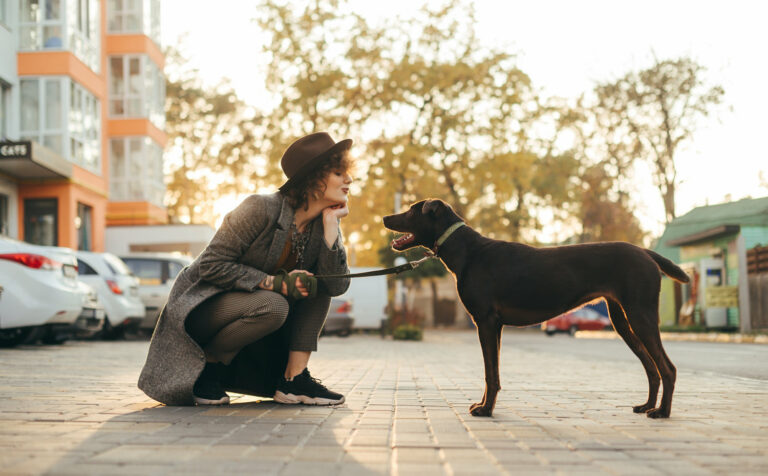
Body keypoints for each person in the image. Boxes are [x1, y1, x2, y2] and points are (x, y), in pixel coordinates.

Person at [138, 132, 353, 406]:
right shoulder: (259, 208)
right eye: (338, 173)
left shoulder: (323, 224)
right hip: (205, 307)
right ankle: (209, 366)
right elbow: (211, 265)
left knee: (317, 286)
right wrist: (273, 283)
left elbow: (336, 286)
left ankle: (293, 380)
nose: (349, 180)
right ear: (312, 178)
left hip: (254, 314)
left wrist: (331, 229)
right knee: (274, 304)